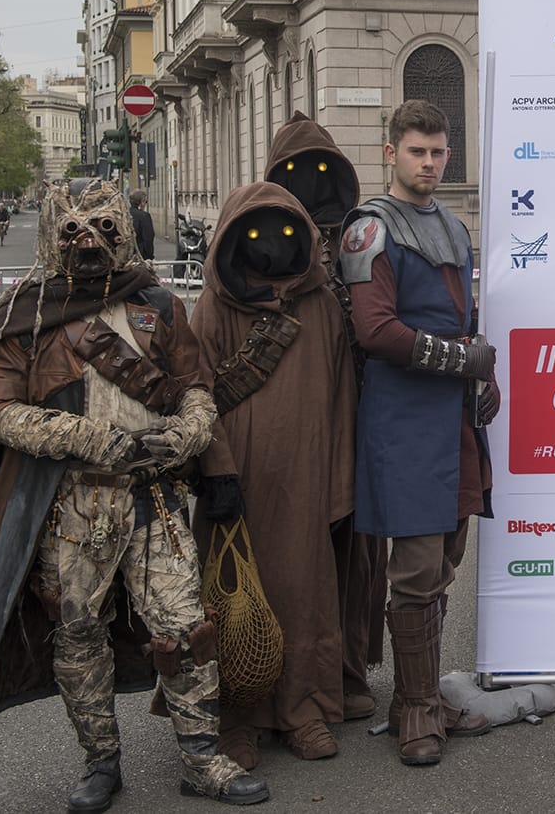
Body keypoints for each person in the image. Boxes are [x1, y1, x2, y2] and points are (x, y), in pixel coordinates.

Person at [0, 178, 268, 810]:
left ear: (122, 228)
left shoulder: (158, 303)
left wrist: (192, 428)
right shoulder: (26, 315)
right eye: (73, 229)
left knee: (186, 629)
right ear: (54, 232)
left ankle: (202, 759)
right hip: (72, 507)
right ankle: (101, 763)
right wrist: (83, 437)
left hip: (154, 501)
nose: (89, 241)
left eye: (103, 226)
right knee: (77, 633)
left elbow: (194, 386)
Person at [338, 100, 496, 766]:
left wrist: (483, 373)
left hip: (451, 418)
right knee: (415, 568)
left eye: (437, 152)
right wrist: (463, 360)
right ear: (390, 154)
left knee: (445, 559)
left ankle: (421, 694)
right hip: (402, 419)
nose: (429, 163)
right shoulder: (369, 230)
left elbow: (465, 318)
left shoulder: (454, 227)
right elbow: (374, 331)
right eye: (417, 151)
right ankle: (417, 711)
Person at [193, 182, 357, 767]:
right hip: (237, 481)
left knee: (303, 596)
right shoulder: (214, 308)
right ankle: (235, 718)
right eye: (257, 231)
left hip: (306, 479)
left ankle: (303, 709)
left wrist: (339, 484)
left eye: (285, 230)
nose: (271, 243)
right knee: (231, 600)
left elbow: (341, 396)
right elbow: (195, 396)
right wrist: (215, 473)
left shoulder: (321, 305)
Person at [265, 111, 382, 724]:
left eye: (320, 169)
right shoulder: (262, 237)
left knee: (358, 555)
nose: (309, 182)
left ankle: (349, 668)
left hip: (360, 414)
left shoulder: (362, 237)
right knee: (292, 556)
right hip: (292, 418)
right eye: (295, 171)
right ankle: (281, 680)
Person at [130, 191, 156, 261]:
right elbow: (148, 238)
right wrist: (149, 256)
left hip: (127, 254)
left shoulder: (125, 214)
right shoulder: (144, 216)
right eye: (145, 202)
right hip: (141, 255)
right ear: (142, 202)